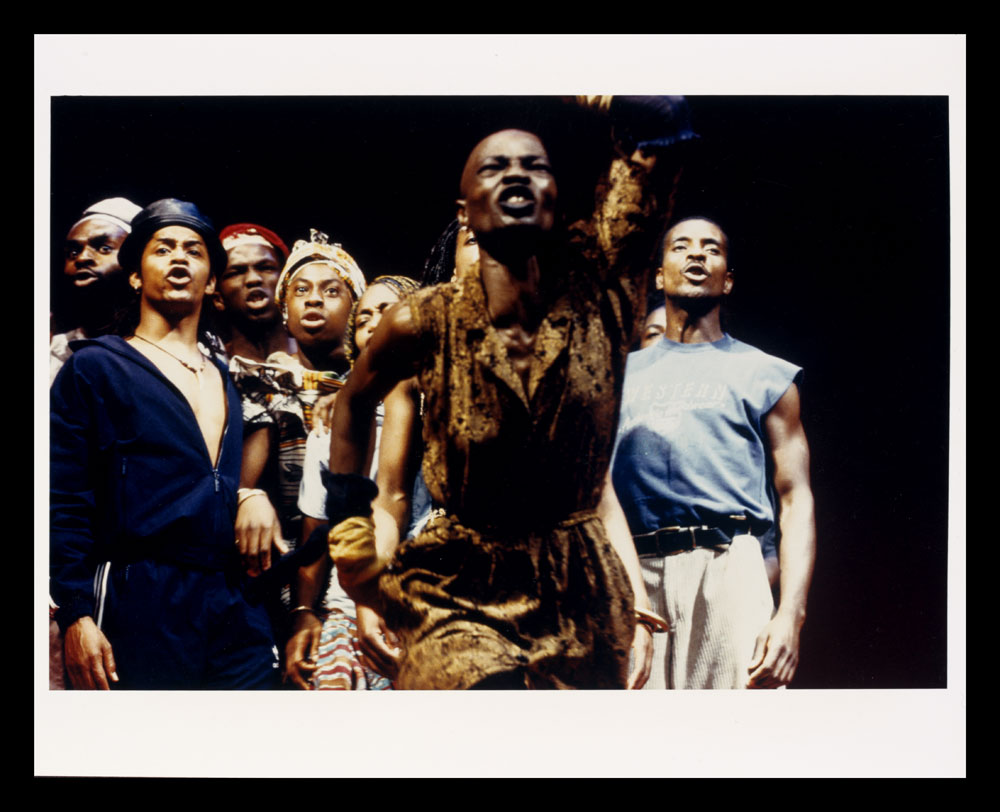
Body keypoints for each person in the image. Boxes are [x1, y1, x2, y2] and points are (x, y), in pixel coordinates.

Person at [326, 96, 696, 689]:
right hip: (459, 582)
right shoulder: (424, 321)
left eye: (535, 164)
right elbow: (352, 402)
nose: (517, 173)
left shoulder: (601, 286)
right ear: (465, 208)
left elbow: (662, 133)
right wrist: (351, 541)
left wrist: (613, 97)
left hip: (578, 588)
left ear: (557, 196)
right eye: (494, 167)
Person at [50, 198, 280, 689]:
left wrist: (247, 491)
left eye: (194, 251)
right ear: (135, 275)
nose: (179, 259)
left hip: (230, 602)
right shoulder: (95, 366)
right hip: (140, 597)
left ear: (212, 280)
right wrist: (75, 614)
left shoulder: (224, 378)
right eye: (164, 249)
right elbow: (64, 498)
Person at [610, 216, 816, 689]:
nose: (697, 254)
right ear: (660, 275)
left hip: (730, 567)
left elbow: (795, 497)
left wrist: (790, 615)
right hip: (636, 575)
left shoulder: (765, 373)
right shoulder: (616, 378)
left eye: (712, 248)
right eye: (682, 246)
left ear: (728, 279)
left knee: (740, 742)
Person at [286, 274, 422, 690]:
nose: (378, 323)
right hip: (356, 599)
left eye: (389, 310)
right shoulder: (332, 427)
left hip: (433, 596)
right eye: (364, 316)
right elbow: (320, 532)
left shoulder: (437, 401)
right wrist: (305, 612)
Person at [51, 197, 143, 384]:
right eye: (73, 253)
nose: (82, 258)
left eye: (104, 248)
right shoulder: (53, 352)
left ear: (138, 267)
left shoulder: (165, 350)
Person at [212, 223, 296, 362]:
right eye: (236, 273)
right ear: (218, 299)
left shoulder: (320, 361)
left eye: (266, 268)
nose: (253, 279)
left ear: (286, 286)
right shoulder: (208, 371)